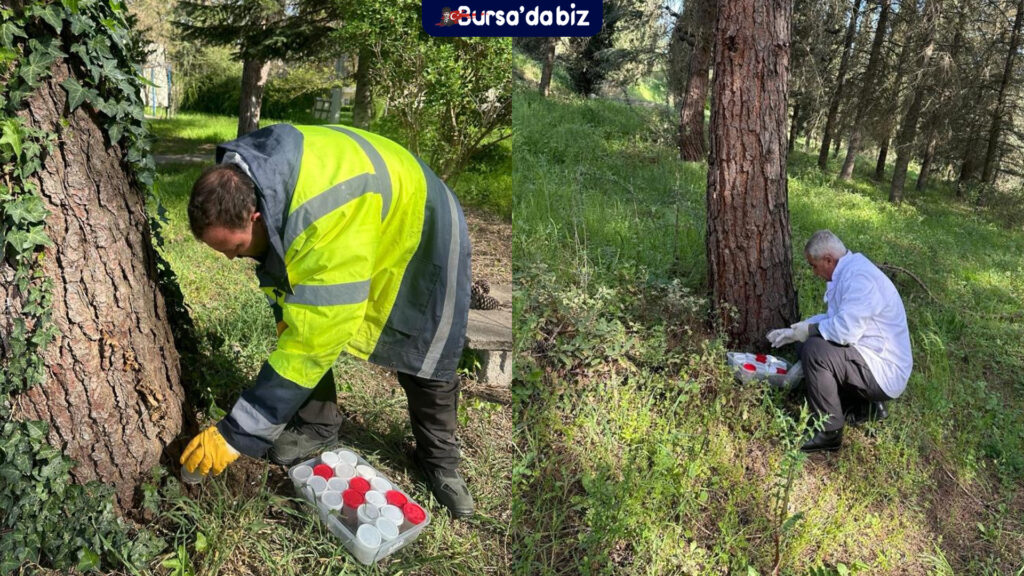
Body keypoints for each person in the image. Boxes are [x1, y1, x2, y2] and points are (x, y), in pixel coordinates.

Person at [178, 123, 474, 518]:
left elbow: (314, 342)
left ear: (256, 215)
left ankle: (441, 463)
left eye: (235, 247)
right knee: (295, 326)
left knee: (427, 349)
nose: (232, 259)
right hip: (367, 207)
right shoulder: (252, 173)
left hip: (424, 222)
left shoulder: (321, 220)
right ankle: (319, 426)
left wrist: (237, 433)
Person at [766, 230, 913, 453]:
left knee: (815, 350)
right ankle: (866, 406)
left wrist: (809, 331)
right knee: (807, 342)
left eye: (814, 266)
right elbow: (835, 319)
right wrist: (797, 330)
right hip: (870, 357)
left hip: (885, 370)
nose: (814, 272)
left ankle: (829, 431)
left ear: (828, 260)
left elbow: (845, 331)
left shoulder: (860, 280)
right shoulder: (848, 272)